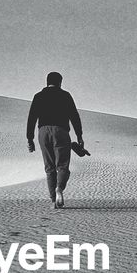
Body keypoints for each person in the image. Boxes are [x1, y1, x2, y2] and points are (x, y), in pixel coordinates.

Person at [26, 71, 85, 209]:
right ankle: (59, 188)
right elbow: (74, 116)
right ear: (60, 82)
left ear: (47, 82)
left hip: (43, 132)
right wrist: (79, 136)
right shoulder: (65, 96)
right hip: (61, 131)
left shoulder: (38, 96)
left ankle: (54, 200)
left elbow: (32, 118)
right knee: (63, 166)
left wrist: (30, 139)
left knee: (49, 168)